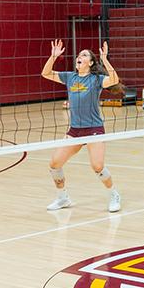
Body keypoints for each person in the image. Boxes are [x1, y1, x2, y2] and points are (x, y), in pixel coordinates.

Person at [41, 39, 121, 213]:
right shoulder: (70, 77)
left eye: (84, 55)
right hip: (75, 131)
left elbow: (114, 79)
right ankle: (63, 198)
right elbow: (46, 73)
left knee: (97, 166)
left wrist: (105, 59)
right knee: (55, 164)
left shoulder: (96, 79)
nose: (79, 56)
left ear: (90, 63)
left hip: (94, 129)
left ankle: (114, 194)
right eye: (79, 55)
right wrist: (53, 57)